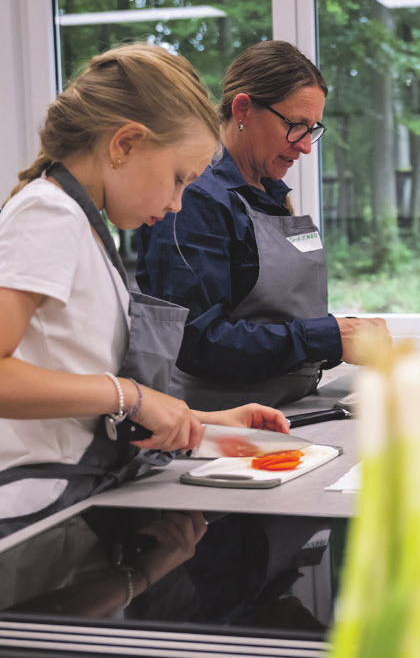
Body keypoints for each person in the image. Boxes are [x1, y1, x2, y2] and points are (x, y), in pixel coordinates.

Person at [0, 43, 290, 536]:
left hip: (74, 500)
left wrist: (202, 419)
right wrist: (130, 395)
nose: (179, 204)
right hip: (33, 513)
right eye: (178, 179)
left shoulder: (84, 225)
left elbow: (71, 378)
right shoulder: (49, 214)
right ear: (125, 145)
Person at [136, 41, 388, 411]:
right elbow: (197, 341)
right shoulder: (194, 198)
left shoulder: (267, 193)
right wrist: (325, 336)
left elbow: (274, 317)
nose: (305, 147)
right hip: (212, 420)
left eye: (312, 129)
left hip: (285, 407)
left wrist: (341, 336)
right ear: (243, 110)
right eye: (296, 126)